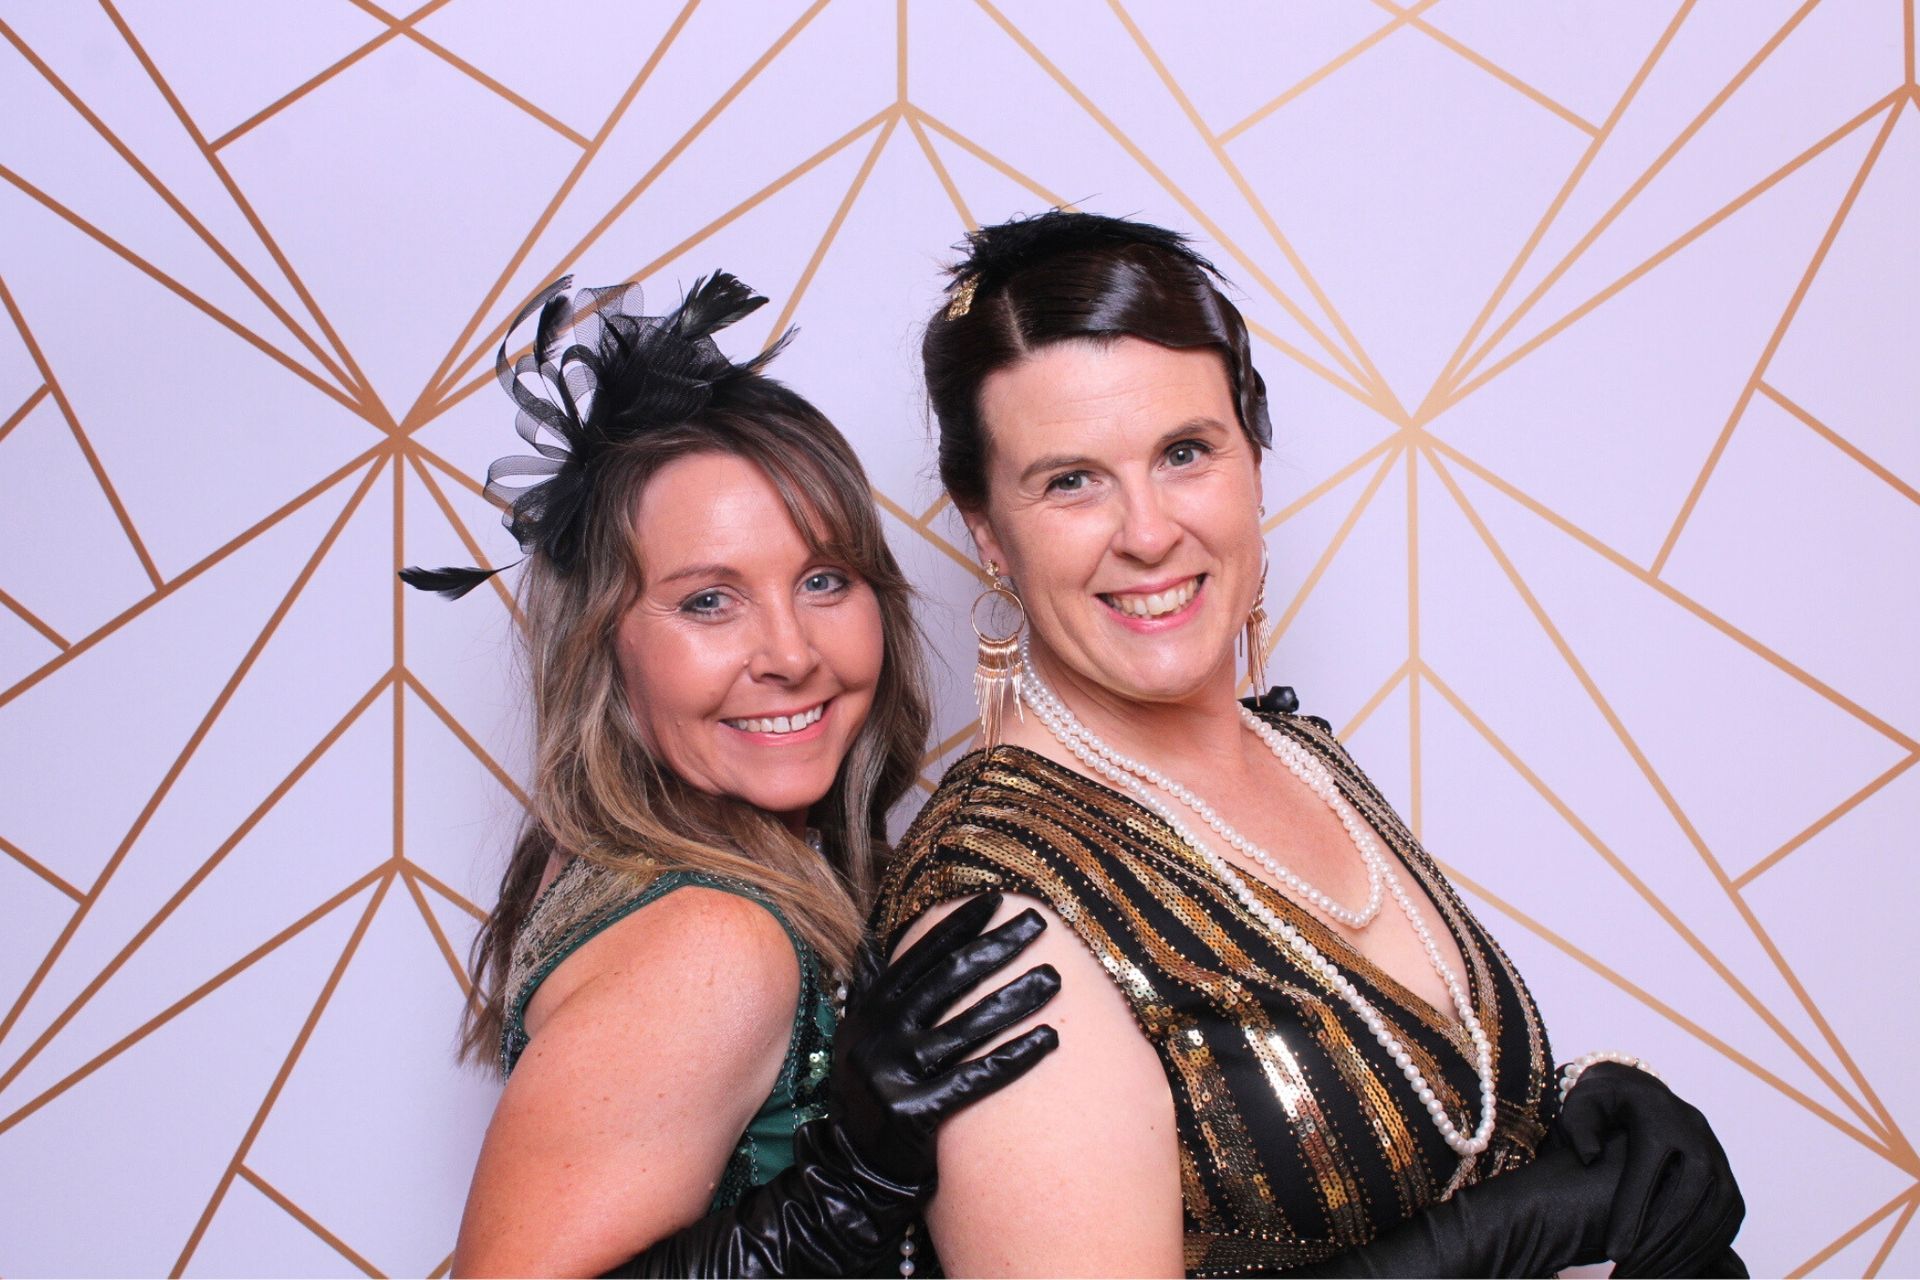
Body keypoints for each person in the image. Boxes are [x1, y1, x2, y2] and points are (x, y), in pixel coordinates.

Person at [872, 212, 1745, 1277]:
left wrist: (1583, 1124)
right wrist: (1500, 1236)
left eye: (1185, 452)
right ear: (988, 533)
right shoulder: (992, 921)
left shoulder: (1301, 756)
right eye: (1071, 480)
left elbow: (1408, 1125)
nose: (1147, 531)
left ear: (1251, 464)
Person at [402, 273, 1060, 1277]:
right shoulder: (715, 937)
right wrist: (843, 1196)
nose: (789, 651)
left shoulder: (649, 862)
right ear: (604, 645)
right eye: (709, 600)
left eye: (824, 580)